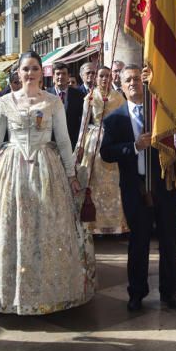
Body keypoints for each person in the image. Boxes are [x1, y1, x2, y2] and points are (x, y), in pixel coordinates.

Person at [0, 51, 95, 315]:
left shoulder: (53, 102)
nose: (29, 73)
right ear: (18, 74)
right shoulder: (5, 102)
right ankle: (8, 292)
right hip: (11, 169)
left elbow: (64, 142)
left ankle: (49, 291)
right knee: (11, 227)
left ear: (40, 72)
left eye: (34, 69)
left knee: (47, 227)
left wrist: (71, 175)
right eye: (25, 69)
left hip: (47, 169)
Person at [100, 65, 176, 311]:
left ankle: (170, 293)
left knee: (168, 241)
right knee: (139, 242)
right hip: (135, 187)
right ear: (121, 86)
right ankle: (136, 292)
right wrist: (134, 146)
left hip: (165, 185)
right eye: (128, 80)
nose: (133, 83)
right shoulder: (114, 119)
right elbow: (106, 153)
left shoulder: (163, 113)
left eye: (137, 78)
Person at [75, 66, 128, 234]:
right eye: (101, 76)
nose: (105, 79)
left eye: (107, 76)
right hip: (95, 141)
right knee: (94, 182)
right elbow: (84, 123)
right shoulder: (90, 97)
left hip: (113, 139)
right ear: (96, 79)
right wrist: (79, 146)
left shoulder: (119, 97)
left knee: (116, 182)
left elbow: (125, 122)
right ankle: (93, 223)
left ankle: (116, 223)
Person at [48, 62, 85, 150]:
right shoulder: (46, 95)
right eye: (58, 74)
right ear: (53, 76)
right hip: (50, 143)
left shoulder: (79, 95)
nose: (61, 77)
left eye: (64, 74)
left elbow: (81, 121)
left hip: (71, 143)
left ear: (68, 76)